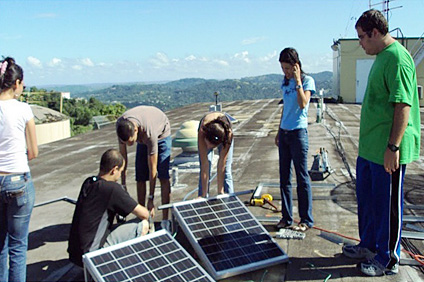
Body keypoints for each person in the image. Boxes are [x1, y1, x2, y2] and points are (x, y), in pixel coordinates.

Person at [341, 10, 421, 277]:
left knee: (387, 206)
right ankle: (369, 245)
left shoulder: (398, 59)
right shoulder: (380, 56)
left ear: (375, 33)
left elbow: (402, 106)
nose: (361, 43)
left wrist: (393, 148)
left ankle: (388, 258)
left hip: (387, 150)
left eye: (362, 37)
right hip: (369, 150)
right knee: (368, 201)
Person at [68, 149, 150, 267]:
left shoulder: (89, 182)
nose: (120, 175)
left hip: (75, 254)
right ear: (114, 170)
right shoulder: (112, 189)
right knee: (142, 224)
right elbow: (144, 214)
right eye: (120, 171)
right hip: (91, 255)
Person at [0, 57, 38, 282]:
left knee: (0, 245)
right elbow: (33, 151)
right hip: (19, 181)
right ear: (16, 83)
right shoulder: (24, 109)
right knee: (18, 246)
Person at [274, 48, 315, 232]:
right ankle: (286, 217)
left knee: (301, 177)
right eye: (283, 68)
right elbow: (285, 108)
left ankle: (306, 219)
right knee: (284, 177)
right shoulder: (285, 82)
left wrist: (298, 81)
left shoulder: (307, 81)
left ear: (296, 66)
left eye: (288, 68)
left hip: (298, 134)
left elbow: (302, 103)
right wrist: (278, 130)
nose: (286, 72)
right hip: (285, 133)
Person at [116, 106, 172, 220]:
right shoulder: (120, 126)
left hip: (161, 135)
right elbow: (123, 159)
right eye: (125, 143)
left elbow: (153, 169)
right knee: (140, 176)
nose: (128, 145)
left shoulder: (149, 133)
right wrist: (123, 185)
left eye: (131, 142)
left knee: (163, 176)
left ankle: (165, 219)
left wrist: (151, 198)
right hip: (142, 135)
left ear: (136, 130)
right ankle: (142, 217)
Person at [198, 112, 234, 198]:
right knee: (206, 168)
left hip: (223, 132)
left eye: (212, 146)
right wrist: (203, 194)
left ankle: (230, 198)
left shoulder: (228, 135)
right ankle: (203, 196)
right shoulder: (202, 132)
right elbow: (204, 165)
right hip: (208, 128)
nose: (208, 147)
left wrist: (220, 191)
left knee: (227, 170)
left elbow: (222, 163)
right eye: (208, 144)